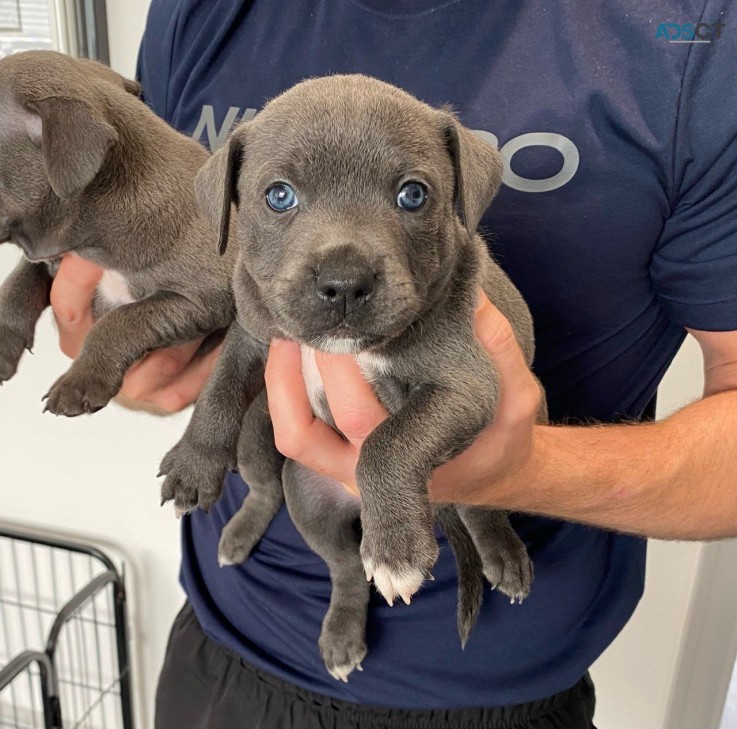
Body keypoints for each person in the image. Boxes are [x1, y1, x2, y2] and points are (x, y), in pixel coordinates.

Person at [51, 1, 737, 727]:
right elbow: (181, 291)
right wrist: (128, 352)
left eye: (412, 195)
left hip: (494, 690)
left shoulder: (691, 34)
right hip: (222, 645)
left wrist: (524, 472)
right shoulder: (199, 10)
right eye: (277, 196)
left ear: (458, 197)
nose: (343, 272)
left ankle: (485, 529)